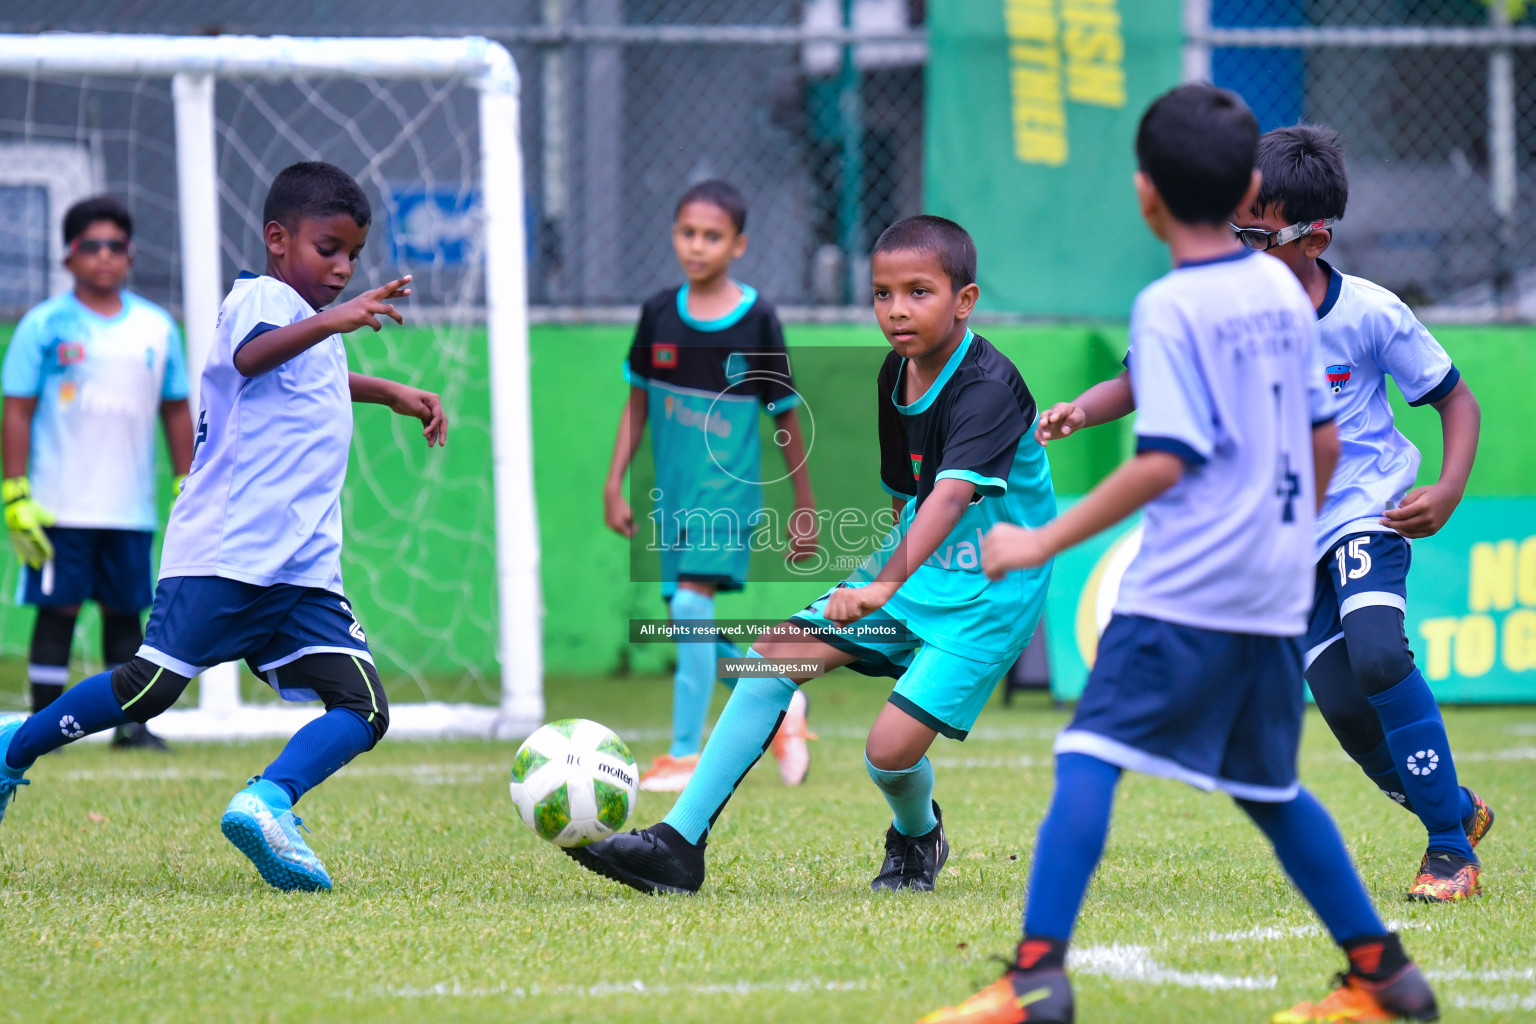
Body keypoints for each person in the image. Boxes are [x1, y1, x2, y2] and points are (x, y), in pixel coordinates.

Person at [918, 86, 1436, 1024]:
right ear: (1246, 184)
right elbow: (1321, 444)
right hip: (1271, 592)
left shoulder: (1170, 305)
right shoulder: (1284, 297)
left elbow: (1163, 461)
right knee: (1270, 789)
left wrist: (1040, 538)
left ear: (1144, 194)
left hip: (1185, 591)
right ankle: (1386, 977)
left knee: (1086, 754)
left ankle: (1036, 978)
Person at [1036, 123, 1491, 904]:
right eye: (1234, 228)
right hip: (1285, 535)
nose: (1239, 246)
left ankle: (1449, 849)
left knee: (1379, 656)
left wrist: (1446, 489)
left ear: (1313, 238)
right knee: (1345, 707)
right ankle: (1454, 807)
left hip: (1362, 510)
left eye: (1255, 233)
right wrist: (1082, 408)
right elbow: (1143, 380)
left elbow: (1456, 400)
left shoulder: (1370, 313)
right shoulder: (1220, 306)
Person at [571, 214, 1056, 895]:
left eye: (919, 292)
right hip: (917, 576)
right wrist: (890, 590)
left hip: (991, 593)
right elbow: (907, 497)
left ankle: (918, 836)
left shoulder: (987, 388)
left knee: (887, 756)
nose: (897, 310)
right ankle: (677, 846)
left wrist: (885, 588)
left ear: (964, 301)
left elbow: (948, 500)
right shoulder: (896, 372)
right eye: (883, 294)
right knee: (773, 655)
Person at [0, 161, 448, 894]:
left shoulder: (308, 324)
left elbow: (310, 375)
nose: (341, 269)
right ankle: (12, 748)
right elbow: (252, 356)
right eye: (327, 248)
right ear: (278, 239)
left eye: (352, 256)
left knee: (364, 705)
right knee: (147, 690)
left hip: (301, 566)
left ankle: (266, 802)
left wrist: (388, 391)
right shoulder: (258, 299)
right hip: (228, 552)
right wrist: (334, 319)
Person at [602, 179, 817, 793]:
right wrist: (614, 484)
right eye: (688, 233)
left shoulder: (757, 319)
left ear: (739, 244)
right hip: (671, 499)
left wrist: (804, 506)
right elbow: (636, 404)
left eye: (712, 236)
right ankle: (783, 705)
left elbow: (784, 416)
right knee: (689, 622)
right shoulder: (658, 313)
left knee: (693, 608)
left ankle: (682, 756)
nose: (697, 246)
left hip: (728, 495)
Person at [2, 196, 193, 751]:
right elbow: (16, 409)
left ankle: (131, 727)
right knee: (56, 612)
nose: (104, 257)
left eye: (115, 246)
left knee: (125, 615)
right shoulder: (43, 324)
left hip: (129, 507)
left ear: (130, 255)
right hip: (58, 504)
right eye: (92, 246)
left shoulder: (157, 328)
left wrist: (188, 479)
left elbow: (176, 408)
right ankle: (41, 730)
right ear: (69, 256)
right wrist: (15, 491)